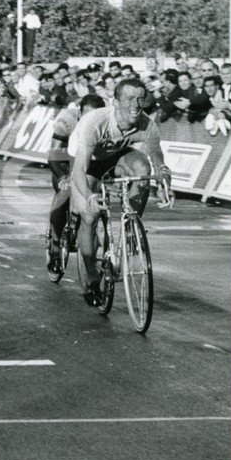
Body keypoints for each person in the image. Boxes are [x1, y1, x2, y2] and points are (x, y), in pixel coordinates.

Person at [68, 77, 173, 306]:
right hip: (87, 160)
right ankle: (91, 277)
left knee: (143, 168)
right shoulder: (94, 122)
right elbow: (79, 170)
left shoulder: (147, 124)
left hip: (116, 155)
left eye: (140, 99)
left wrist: (165, 181)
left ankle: (131, 227)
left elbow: (157, 157)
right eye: (129, 99)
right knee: (89, 216)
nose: (135, 105)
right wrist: (89, 196)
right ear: (115, 102)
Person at [45, 94, 106, 275]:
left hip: (89, 158)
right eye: (86, 116)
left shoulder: (106, 121)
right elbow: (54, 156)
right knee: (64, 194)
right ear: (79, 113)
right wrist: (63, 178)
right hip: (66, 159)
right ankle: (55, 247)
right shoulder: (66, 120)